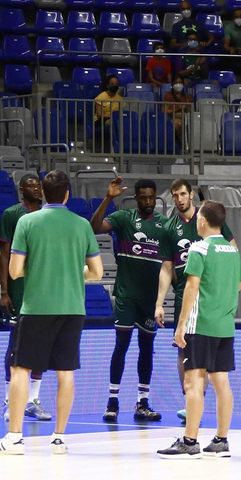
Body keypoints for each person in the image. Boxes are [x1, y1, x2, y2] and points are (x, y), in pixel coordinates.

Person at [0, 170, 101, 455]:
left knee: (20, 368)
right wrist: (71, 271)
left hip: (37, 307)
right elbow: (97, 272)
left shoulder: (27, 221)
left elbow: (14, 271)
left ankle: (14, 438)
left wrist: (39, 269)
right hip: (72, 308)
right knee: (65, 373)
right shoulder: (81, 225)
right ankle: (59, 438)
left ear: (44, 193)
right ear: (67, 194)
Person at [157, 201, 241, 458]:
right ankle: (221, 440)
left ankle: (190, 440)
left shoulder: (199, 249)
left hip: (200, 323)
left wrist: (181, 324)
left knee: (193, 381)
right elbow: (238, 285)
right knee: (221, 382)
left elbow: (191, 288)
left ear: (203, 220)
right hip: (225, 325)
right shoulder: (233, 251)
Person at [91, 177, 173, 424]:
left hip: (150, 299)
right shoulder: (124, 218)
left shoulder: (165, 225)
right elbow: (94, 227)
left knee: (146, 349)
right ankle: (112, 401)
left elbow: (172, 263)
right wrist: (108, 198)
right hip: (126, 296)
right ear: (136, 198)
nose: (148, 201)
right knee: (121, 346)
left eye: (151, 197)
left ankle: (143, 402)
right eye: (143, 197)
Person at [154, 178, 220, 420]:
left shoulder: (208, 219)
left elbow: (230, 249)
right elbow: (166, 268)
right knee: (183, 350)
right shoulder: (170, 228)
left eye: (183, 194)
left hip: (211, 298)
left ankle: (201, 401)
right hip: (185, 298)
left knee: (210, 353)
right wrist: (160, 302)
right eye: (175, 195)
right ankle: (190, 400)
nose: (179, 199)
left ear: (191, 194)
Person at [0, 174, 52, 421]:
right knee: (16, 343)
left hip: (42, 286)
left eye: (39, 185)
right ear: (21, 190)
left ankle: (32, 400)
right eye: (31, 185)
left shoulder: (46, 215)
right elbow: (5, 254)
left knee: (41, 343)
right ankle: (10, 400)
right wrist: (5, 290)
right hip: (19, 287)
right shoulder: (12, 214)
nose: (37, 188)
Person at [92, 74, 123, 146]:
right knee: (111, 122)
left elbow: (121, 113)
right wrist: (110, 116)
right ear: (108, 85)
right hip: (100, 120)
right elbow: (99, 114)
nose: (114, 86)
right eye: (112, 84)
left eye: (116, 84)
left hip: (115, 120)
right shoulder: (101, 96)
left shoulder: (120, 99)